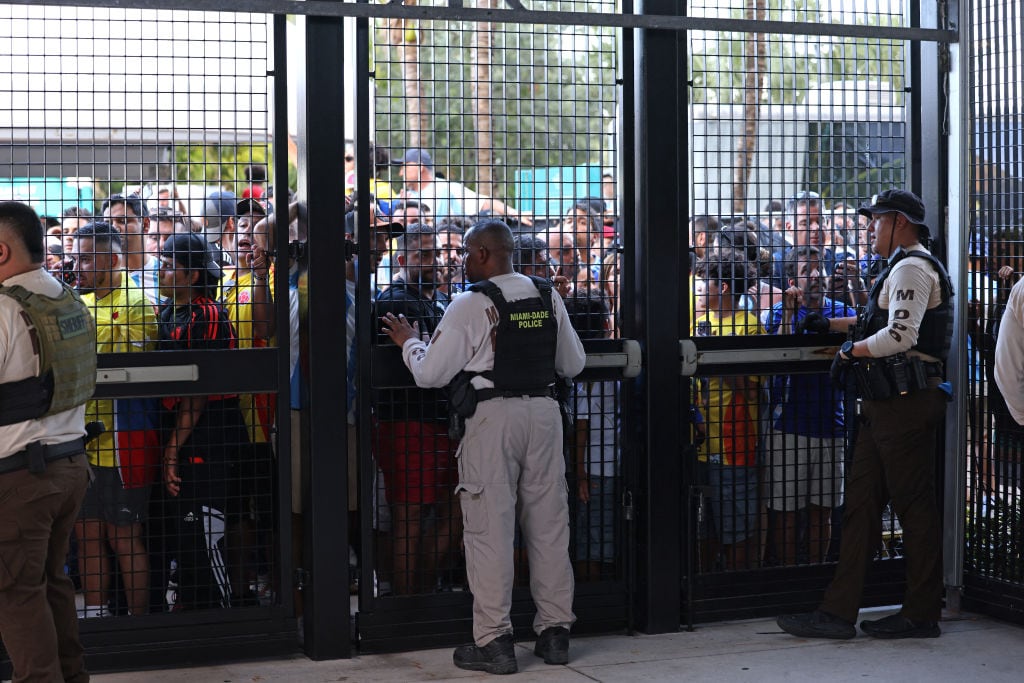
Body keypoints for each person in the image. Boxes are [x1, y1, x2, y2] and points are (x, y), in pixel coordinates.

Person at [381, 219, 586, 675]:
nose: (460, 260)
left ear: (484, 254)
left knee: (489, 530)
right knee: (550, 525)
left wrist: (409, 341)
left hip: (493, 420)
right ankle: (555, 635)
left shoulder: (470, 303)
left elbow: (430, 373)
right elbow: (573, 363)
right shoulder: (547, 294)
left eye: (466, 253)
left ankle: (494, 642)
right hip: (545, 413)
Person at [777, 188, 953, 640]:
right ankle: (837, 613)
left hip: (904, 405)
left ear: (899, 221)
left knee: (913, 508)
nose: (869, 228)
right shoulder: (900, 267)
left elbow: (899, 336)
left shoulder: (913, 266)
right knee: (858, 507)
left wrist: (850, 350)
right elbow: (878, 321)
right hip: (887, 406)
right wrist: (834, 326)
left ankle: (920, 613)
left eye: (875, 220)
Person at [0, 200, 96, 682]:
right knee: (51, 582)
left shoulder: (3, 308)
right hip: (69, 466)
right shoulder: (66, 297)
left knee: (17, 592)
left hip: (20, 477)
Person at [157, 232, 253, 609]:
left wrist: (171, 450)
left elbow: (198, 391)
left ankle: (218, 613)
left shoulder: (206, 313)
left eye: (169, 267)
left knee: (208, 529)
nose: (160, 272)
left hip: (210, 436)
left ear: (192, 276)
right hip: (182, 434)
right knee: (186, 529)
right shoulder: (167, 311)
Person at [70, 222, 160, 618]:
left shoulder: (139, 302)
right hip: (78, 440)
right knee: (86, 533)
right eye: (76, 257)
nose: (78, 266)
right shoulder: (78, 302)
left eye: (87, 257)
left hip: (125, 441)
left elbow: (128, 365)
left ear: (112, 259)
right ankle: (95, 615)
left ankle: (137, 624)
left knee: (124, 536)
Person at [373, 222, 459, 595]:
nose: (433, 260)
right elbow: (439, 359)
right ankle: (407, 606)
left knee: (451, 511)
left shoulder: (436, 300)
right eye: (423, 254)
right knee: (408, 515)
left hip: (440, 421)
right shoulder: (395, 301)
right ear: (403, 258)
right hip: (407, 421)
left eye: (435, 253)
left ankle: (422, 594)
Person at [764, 246, 855, 565]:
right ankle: (789, 578)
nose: (817, 276)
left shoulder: (840, 311)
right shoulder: (779, 312)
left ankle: (816, 576)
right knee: (786, 511)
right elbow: (778, 358)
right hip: (789, 426)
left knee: (823, 511)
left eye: (821, 269)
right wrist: (790, 312)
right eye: (807, 271)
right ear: (792, 280)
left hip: (833, 424)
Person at [693, 249, 762, 570]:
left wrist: (717, 358)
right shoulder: (699, 323)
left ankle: (737, 590)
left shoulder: (750, 327)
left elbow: (753, 389)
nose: (699, 289)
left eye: (704, 282)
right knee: (703, 527)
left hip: (737, 445)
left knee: (738, 528)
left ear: (722, 288)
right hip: (698, 445)